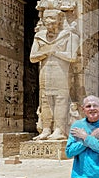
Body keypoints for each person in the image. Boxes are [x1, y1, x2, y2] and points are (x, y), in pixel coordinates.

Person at [30, 9, 79, 140]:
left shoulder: (70, 35)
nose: (48, 23)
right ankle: (46, 129)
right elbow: (33, 57)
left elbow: (72, 57)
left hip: (62, 72)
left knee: (60, 100)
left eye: (52, 19)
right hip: (45, 72)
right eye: (46, 19)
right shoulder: (39, 36)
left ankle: (59, 129)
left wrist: (55, 52)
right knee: (45, 100)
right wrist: (46, 52)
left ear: (60, 20)